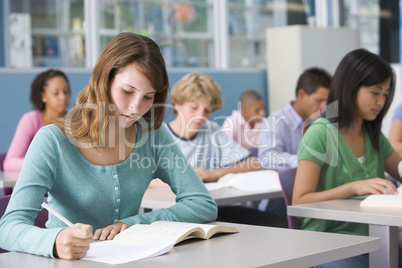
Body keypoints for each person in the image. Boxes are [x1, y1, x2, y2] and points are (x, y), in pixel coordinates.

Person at [0, 33, 217, 260]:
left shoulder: (153, 134)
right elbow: (8, 228)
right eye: (127, 92)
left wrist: (135, 224)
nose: (135, 108)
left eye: (148, 97)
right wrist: (54, 242)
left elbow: (202, 203)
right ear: (105, 80)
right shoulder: (52, 140)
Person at [293, 48, 402, 267]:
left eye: (386, 94)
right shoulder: (320, 133)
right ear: (351, 87)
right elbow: (300, 201)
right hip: (329, 242)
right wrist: (353, 187)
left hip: (375, 237)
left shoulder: (372, 134)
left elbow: (398, 168)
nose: (381, 101)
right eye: (375, 92)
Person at [158, 72, 284, 227]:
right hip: (178, 212)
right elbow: (145, 179)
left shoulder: (212, 131)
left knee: (274, 222)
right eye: (194, 107)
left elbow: (254, 164)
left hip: (216, 209)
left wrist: (214, 174)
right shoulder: (159, 136)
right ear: (177, 103)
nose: (200, 116)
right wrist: (187, 180)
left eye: (207, 110)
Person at [257, 67, 331, 215]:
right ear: (301, 94)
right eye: (319, 100)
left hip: (312, 192)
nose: (324, 107)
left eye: (327, 101)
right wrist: (306, 163)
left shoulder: (322, 124)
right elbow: (267, 158)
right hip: (278, 197)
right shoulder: (276, 121)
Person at [4, 69, 71, 171]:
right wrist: (42, 163)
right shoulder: (31, 120)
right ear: (42, 95)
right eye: (56, 93)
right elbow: (9, 163)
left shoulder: (74, 119)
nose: (63, 97)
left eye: (66, 92)